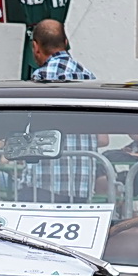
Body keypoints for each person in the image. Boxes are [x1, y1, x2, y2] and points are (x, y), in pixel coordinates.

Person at [23, 19, 101, 202]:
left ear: (35, 47)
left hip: (45, 178)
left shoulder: (41, 77)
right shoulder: (89, 78)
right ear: (65, 42)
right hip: (81, 180)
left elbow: (30, 126)